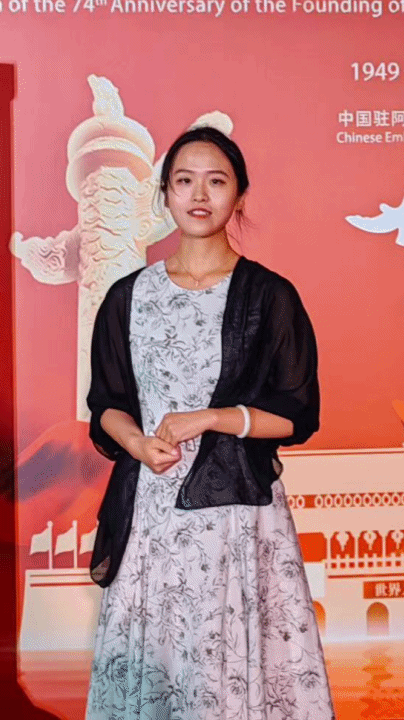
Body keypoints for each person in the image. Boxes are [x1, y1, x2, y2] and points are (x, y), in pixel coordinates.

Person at [83, 126, 334, 720]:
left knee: (230, 668)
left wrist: (214, 418)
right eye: (184, 181)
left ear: (239, 195)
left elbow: (298, 414)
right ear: (164, 193)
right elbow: (106, 403)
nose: (199, 195)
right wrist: (138, 444)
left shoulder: (269, 296)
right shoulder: (127, 296)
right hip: (152, 513)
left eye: (216, 181)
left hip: (239, 518)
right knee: (160, 668)